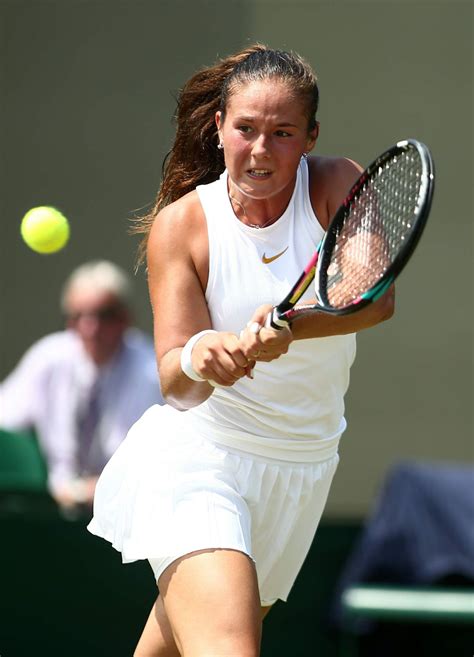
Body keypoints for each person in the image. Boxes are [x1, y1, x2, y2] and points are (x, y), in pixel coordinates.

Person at [88, 45, 395, 656]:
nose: (260, 149)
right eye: (246, 129)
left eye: (282, 133)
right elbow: (176, 380)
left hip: (301, 467)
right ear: (220, 129)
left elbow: (372, 298)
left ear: (310, 137)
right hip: (201, 460)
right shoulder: (183, 226)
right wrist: (205, 355)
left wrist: (292, 329)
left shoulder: (337, 184)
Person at [0, 260, 164, 510]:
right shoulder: (49, 357)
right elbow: (6, 417)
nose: (90, 329)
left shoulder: (151, 369)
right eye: (78, 317)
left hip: (131, 507)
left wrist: (100, 488)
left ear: (125, 318)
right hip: (56, 508)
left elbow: (162, 456)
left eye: (103, 315)